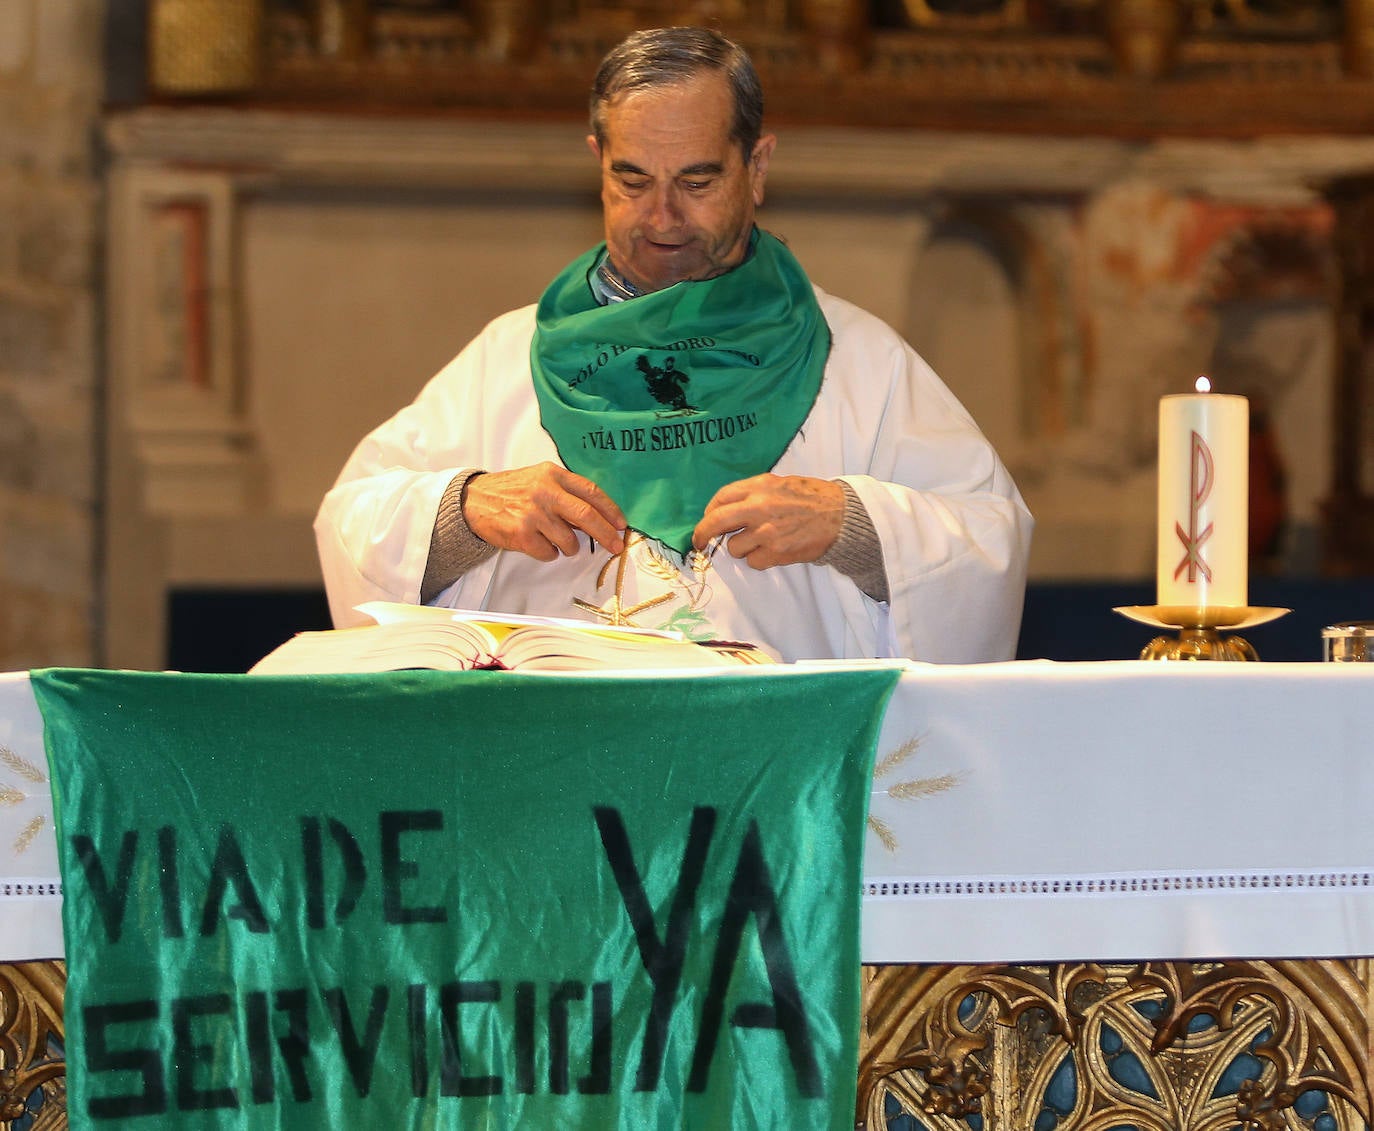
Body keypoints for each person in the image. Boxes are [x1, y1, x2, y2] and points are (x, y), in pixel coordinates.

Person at [315, 26, 1033, 664]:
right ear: (596, 161)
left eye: (697, 179)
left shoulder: (860, 361)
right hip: (553, 761)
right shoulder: (506, 358)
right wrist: (464, 510)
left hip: (779, 769)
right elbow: (352, 518)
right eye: (631, 179)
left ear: (756, 168)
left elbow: (989, 536)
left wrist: (853, 523)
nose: (661, 216)